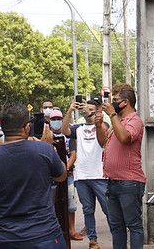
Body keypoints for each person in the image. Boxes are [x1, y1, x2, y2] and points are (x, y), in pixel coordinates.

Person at [0, 101, 68, 249]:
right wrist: (51, 149)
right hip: (46, 236)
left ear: (3, 128)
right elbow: (61, 176)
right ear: (27, 127)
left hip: (8, 240)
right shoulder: (44, 151)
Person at [95, 83, 145, 249]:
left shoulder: (135, 121)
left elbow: (124, 138)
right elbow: (103, 143)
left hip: (129, 182)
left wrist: (112, 115)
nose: (112, 102)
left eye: (115, 99)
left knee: (134, 226)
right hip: (112, 181)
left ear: (124, 103)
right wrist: (98, 126)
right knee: (116, 227)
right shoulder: (119, 120)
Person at [62, 100, 109, 249]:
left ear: (97, 111)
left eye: (90, 108)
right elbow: (64, 131)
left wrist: (94, 115)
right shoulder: (78, 128)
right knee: (88, 210)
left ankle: (118, 235)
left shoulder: (102, 125)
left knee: (109, 209)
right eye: (85, 108)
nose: (85, 110)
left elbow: (105, 134)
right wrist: (69, 111)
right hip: (82, 176)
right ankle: (93, 240)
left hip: (99, 175)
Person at [48, 109, 82, 241]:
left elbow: (73, 154)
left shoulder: (68, 136)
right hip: (51, 177)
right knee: (54, 204)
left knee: (71, 204)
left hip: (68, 175)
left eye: (58, 119)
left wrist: (64, 169)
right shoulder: (47, 136)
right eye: (53, 119)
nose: (56, 122)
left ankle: (71, 230)